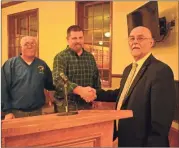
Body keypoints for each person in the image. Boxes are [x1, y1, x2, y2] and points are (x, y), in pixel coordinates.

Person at [95, 26, 176, 147]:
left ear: (151, 42)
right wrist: (96, 93)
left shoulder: (161, 70)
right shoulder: (129, 69)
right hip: (124, 139)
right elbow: (122, 94)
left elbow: (160, 123)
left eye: (140, 38)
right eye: (132, 38)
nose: (135, 42)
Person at [1, 36, 55, 119]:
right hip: (16, 114)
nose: (30, 46)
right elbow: (2, 89)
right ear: (20, 47)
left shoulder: (42, 65)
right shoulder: (10, 65)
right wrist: (7, 112)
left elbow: (51, 85)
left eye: (33, 44)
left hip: (38, 113)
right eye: (26, 44)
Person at [52, 25, 101, 112]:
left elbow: (96, 79)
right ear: (67, 40)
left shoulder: (90, 57)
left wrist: (97, 97)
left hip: (87, 105)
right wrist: (80, 90)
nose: (78, 41)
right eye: (74, 38)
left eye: (80, 37)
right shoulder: (60, 57)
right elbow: (58, 80)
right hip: (66, 107)